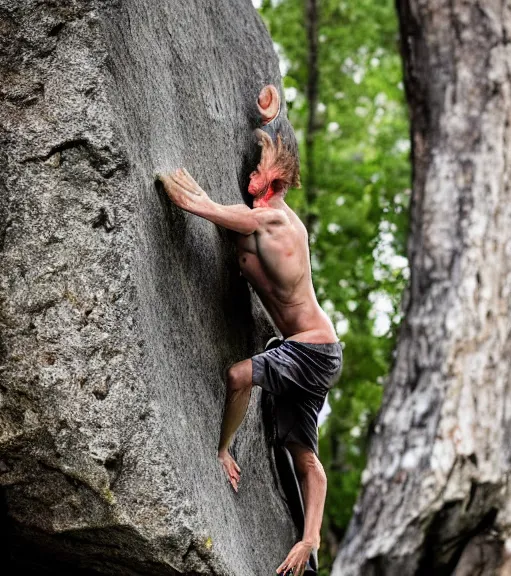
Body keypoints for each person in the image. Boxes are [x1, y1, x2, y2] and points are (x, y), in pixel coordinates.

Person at [156, 85, 342, 576]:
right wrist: (272, 109)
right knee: (303, 458)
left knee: (239, 376)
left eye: (257, 170)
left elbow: (208, 209)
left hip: (312, 352)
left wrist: (184, 193)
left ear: (274, 178)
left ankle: (224, 449)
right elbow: (222, 208)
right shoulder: (267, 218)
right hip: (316, 352)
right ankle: (310, 550)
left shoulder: (273, 223)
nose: (250, 176)